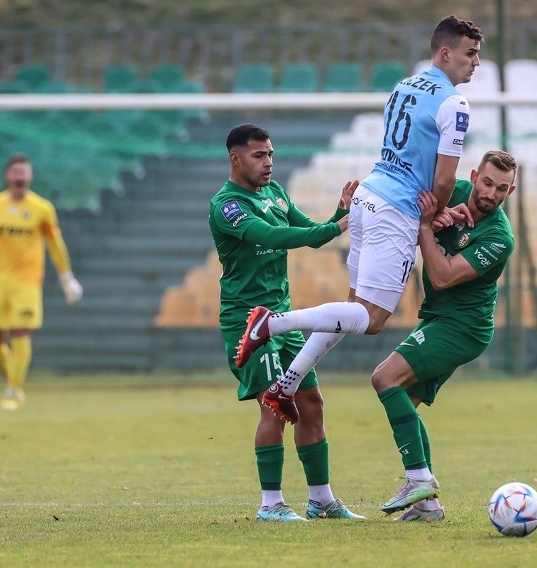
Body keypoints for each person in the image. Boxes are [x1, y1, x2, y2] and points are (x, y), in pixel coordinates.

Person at [236, 15, 485, 424]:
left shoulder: (405, 85)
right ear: (445, 53)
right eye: (470, 54)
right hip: (395, 211)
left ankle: (286, 385)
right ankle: (273, 323)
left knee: (351, 308)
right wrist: (436, 212)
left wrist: (433, 210)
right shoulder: (454, 103)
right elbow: (442, 178)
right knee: (371, 320)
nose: (476, 63)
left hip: (369, 197)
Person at [209, 123, 365, 522]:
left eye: (271, 154)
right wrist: (337, 227)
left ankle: (322, 500)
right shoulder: (226, 205)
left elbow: (308, 235)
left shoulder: (276, 194)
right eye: (259, 155)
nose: (268, 163)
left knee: (311, 403)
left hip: (284, 317)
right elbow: (273, 236)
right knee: (275, 407)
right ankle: (271, 505)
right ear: (236, 158)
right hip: (248, 321)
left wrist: (339, 215)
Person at [372, 150, 518, 521]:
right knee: (404, 397)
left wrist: (426, 227)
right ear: (474, 176)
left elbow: (442, 276)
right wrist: (437, 216)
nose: (491, 193)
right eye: (486, 183)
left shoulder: (500, 237)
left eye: (501, 188)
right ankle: (427, 505)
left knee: (384, 378)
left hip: (464, 327)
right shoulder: (452, 190)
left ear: (510, 191)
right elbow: (407, 206)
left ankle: (419, 479)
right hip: (439, 317)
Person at [0, 155, 83, 410]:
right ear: (7, 177)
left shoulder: (42, 209)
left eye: (24, 172)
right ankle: (13, 379)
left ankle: (13, 390)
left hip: (27, 282)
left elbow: (55, 246)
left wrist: (67, 277)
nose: (20, 177)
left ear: (30, 177)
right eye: (15, 172)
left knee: (20, 330)